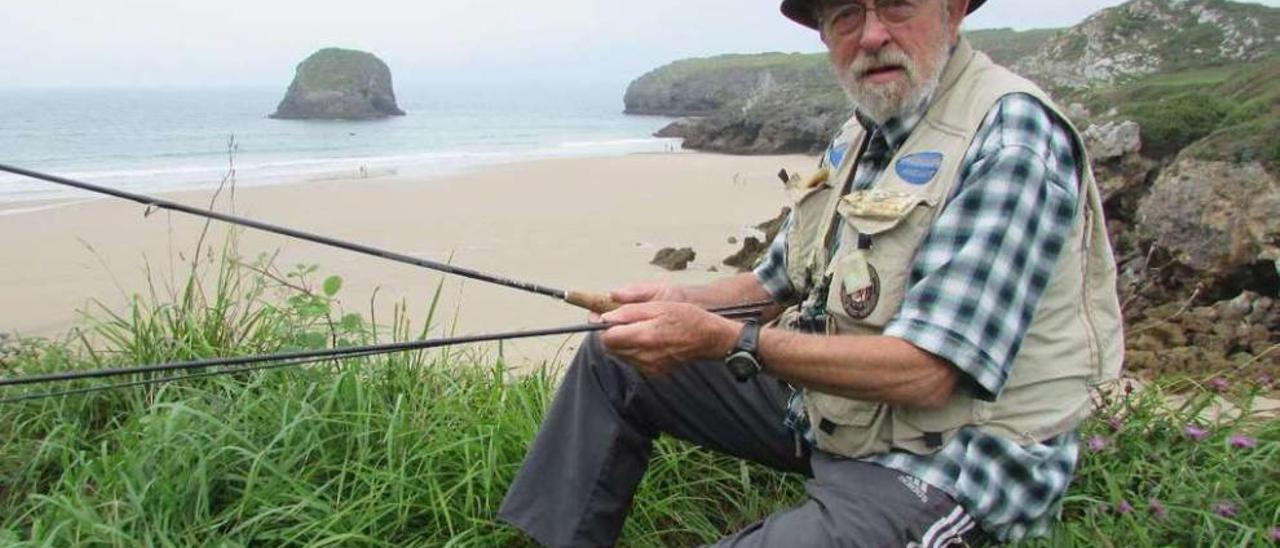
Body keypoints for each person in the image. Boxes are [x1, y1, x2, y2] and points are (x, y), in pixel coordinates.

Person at [499, 0, 1124, 545]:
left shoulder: (1010, 136)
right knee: (614, 354)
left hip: (955, 458)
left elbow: (931, 373)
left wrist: (724, 339)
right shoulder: (859, 133)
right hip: (846, 416)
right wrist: (677, 304)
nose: (872, 34)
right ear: (826, 33)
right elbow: (771, 285)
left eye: (898, 5)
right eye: (847, 13)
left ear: (954, 9)